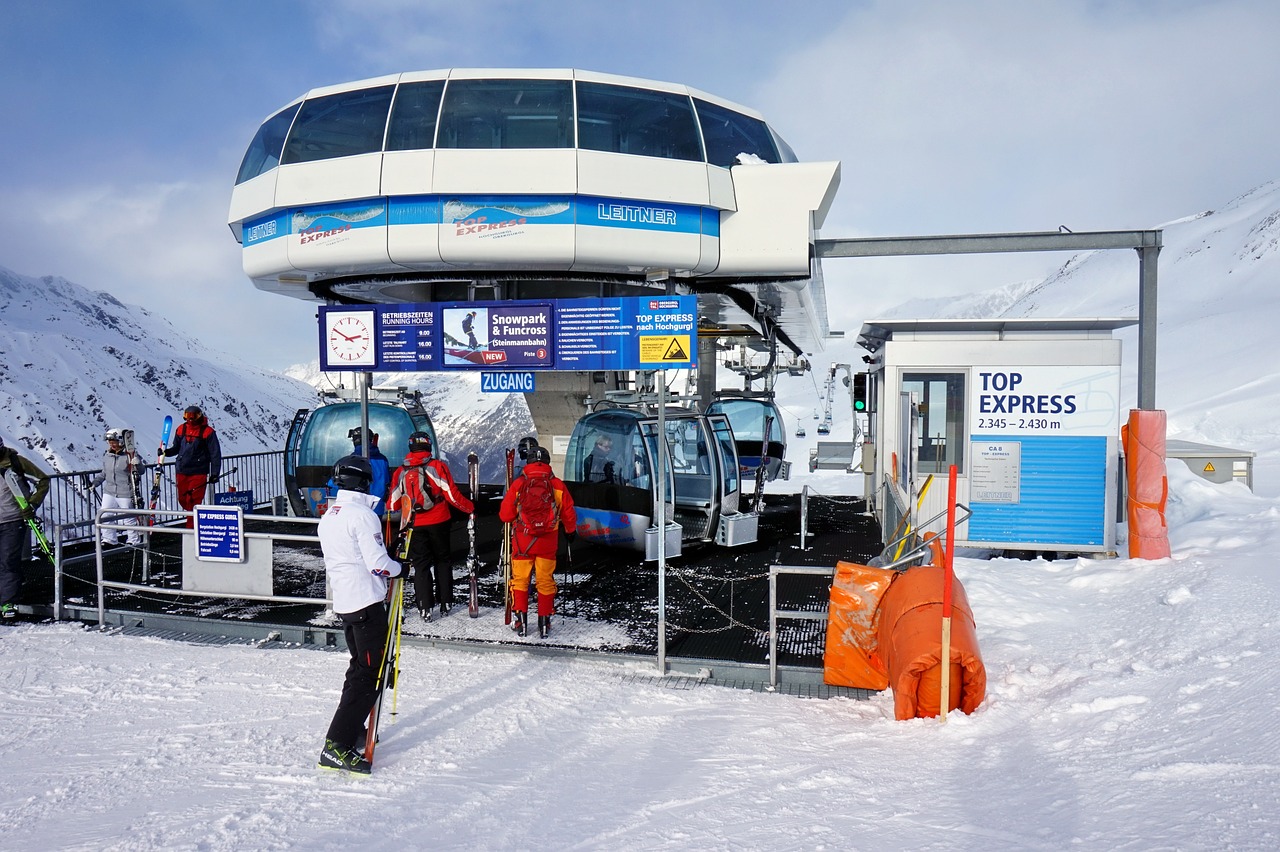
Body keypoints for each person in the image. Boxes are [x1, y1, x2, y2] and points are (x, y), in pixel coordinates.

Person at [316, 454, 402, 775]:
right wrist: (398, 566)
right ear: (363, 482)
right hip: (366, 605)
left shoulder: (330, 515)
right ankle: (336, 745)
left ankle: (349, 730)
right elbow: (378, 563)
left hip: (347, 604)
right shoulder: (363, 516)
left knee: (359, 671)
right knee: (369, 676)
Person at [388, 431, 473, 620]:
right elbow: (452, 495)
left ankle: (424, 607)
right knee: (443, 560)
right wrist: (470, 508)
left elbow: (392, 504)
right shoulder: (436, 466)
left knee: (421, 565)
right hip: (439, 521)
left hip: (414, 523)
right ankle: (445, 602)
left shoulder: (401, 471)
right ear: (428, 446)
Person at [499, 446, 577, 638]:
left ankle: (521, 621)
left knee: (520, 580)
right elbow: (568, 512)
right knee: (545, 581)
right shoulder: (557, 485)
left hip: (522, 542)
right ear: (548, 463)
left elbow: (505, 515)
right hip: (547, 542)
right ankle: (544, 622)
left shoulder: (519, 484)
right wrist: (570, 531)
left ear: (528, 463)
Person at [0, 436, 51, 621]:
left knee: (8, 561)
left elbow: (43, 479)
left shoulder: (16, 462)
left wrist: (32, 504)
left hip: (13, 520)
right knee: (6, 562)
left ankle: (8, 601)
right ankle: (10, 592)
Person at [163, 405, 222, 528]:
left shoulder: (208, 432)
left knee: (194, 501)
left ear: (199, 416)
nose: (190, 419)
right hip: (182, 470)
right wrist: (166, 452)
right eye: (187, 416)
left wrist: (214, 473)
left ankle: (191, 528)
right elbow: (176, 448)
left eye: (193, 416)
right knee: (183, 499)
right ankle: (194, 521)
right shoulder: (181, 429)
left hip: (198, 472)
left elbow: (215, 454)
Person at [91, 428, 146, 546]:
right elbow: (104, 473)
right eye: (110, 441)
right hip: (109, 490)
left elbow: (141, 471)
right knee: (104, 514)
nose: (111, 443)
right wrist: (95, 483)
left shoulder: (130, 455)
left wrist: (138, 463)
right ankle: (109, 539)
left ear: (121, 441)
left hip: (125, 491)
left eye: (114, 441)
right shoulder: (107, 455)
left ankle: (133, 540)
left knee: (128, 517)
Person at [329, 428, 390, 516]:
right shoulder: (382, 459)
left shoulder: (353, 460)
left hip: (358, 505)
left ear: (356, 440)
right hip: (377, 506)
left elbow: (338, 481)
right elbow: (387, 481)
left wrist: (329, 482)